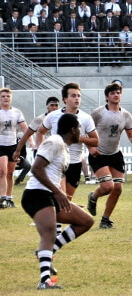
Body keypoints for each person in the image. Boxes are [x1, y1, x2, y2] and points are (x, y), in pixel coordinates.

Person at [22, 113, 94, 289]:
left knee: (85, 221)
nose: (81, 133)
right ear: (72, 129)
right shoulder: (54, 141)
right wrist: (58, 193)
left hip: (50, 194)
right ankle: (44, 281)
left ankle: (48, 252)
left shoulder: (65, 147)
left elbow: (53, 176)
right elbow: (36, 168)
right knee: (49, 232)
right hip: (36, 194)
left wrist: (64, 198)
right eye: (79, 129)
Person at [86, 83, 132, 229]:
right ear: (107, 97)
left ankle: (105, 219)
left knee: (118, 188)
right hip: (99, 154)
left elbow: (131, 138)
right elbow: (85, 131)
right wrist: (91, 148)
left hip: (115, 154)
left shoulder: (126, 115)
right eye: (113, 93)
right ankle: (93, 197)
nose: (116, 95)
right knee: (108, 187)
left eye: (118, 92)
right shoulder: (98, 113)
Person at [37, 83, 98, 202]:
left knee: (67, 201)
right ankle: (50, 219)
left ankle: (56, 218)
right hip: (56, 162)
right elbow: (40, 132)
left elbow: (95, 141)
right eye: (73, 96)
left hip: (75, 162)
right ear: (65, 99)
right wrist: (41, 150)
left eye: (79, 96)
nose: (77, 98)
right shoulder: (54, 115)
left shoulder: (86, 118)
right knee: (61, 196)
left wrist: (78, 138)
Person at [12, 97, 60, 187]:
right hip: (42, 150)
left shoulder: (62, 118)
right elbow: (27, 134)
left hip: (58, 150)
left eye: (56, 105)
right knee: (43, 173)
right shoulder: (40, 119)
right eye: (52, 105)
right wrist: (19, 150)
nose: (54, 107)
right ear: (47, 107)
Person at [0, 88, 29, 208]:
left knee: (10, 173)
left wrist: (31, 141)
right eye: (3, 96)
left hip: (12, 145)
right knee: (3, 171)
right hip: (0, 144)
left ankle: (9, 199)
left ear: (11, 98)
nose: (6, 98)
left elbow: (25, 128)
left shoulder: (17, 112)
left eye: (8, 96)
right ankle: (2, 199)